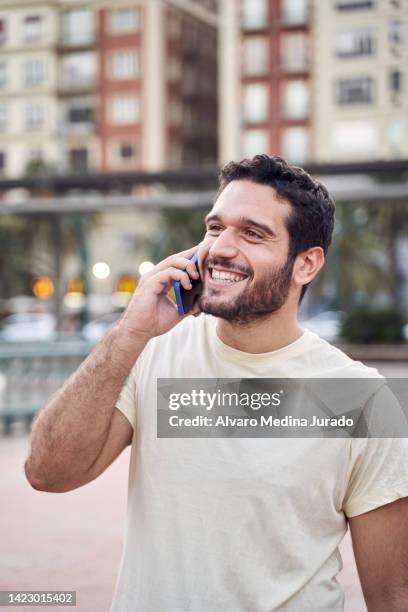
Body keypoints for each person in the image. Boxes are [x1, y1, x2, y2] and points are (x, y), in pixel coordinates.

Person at [25, 155, 408, 612]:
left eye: (252, 233)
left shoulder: (362, 399)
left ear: (306, 263)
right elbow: (47, 473)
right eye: (214, 228)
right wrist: (128, 332)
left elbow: (392, 593)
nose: (220, 248)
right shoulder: (153, 351)